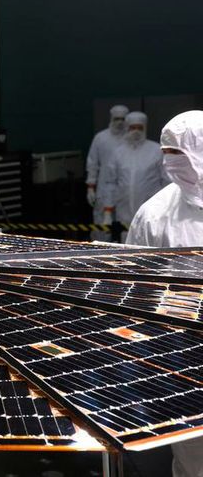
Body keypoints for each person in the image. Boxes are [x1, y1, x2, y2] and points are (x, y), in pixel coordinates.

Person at [126, 110, 203, 477]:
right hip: (183, 355)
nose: (170, 162)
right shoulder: (155, 214)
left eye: (179, 153)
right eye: (167, 153)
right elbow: (132, 285)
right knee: (193, 457)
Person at [99, 111, 166, 234]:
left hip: (151, 210)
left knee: (149, 243)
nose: (136, 131)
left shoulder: (156, 150)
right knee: (126, 245)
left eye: (139, 128)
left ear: (145, 128)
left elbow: (166, 181)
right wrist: (108, 211)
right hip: (123, 212)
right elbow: (110, 183)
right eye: (132, 127)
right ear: (127, 128)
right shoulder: (118, 153)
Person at [87, 104, 129, 240]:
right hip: (104, 186)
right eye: (117, 119)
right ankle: (99, 248)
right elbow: (93, 163)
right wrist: (90, 187)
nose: (120, 122)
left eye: (123, 119)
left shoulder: (131, 139)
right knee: (101, 219)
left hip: (125, 186)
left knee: (124, 218)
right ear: (111, 119)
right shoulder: (101, 138)